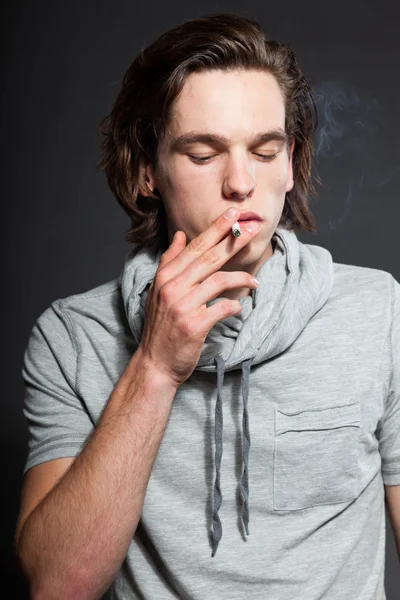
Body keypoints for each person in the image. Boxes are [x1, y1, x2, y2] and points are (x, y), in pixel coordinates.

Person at [14, 12, 400, 600]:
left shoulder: (381, 312)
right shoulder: (71, 338)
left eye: (265, 151)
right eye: (203, 154)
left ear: (291, 164)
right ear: (148, 171)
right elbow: (58, 585)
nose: (241, 183)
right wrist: (155, 368)